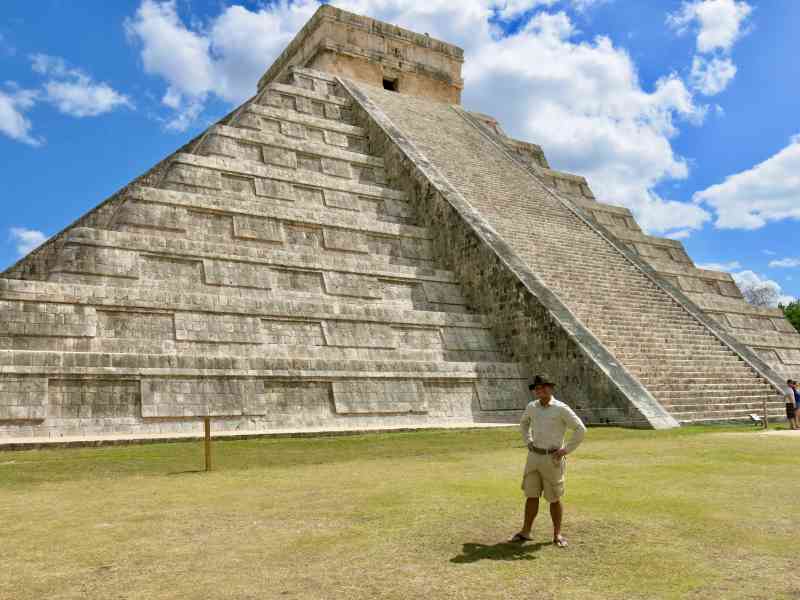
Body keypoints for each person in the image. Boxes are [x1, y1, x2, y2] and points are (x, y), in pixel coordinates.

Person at [511, 374, 586, 548]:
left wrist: (565, 450)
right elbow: (523, 424)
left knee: (554, 498)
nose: (541, 390)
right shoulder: (532, 407)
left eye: (544, 387)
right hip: (534, 456)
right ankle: (526, 531)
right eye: (537, 388)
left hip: (553, 458)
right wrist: (528, 441)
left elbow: (580, 429)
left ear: (551, 388)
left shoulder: (561, 409)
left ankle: (557, 534)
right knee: (531, 495)